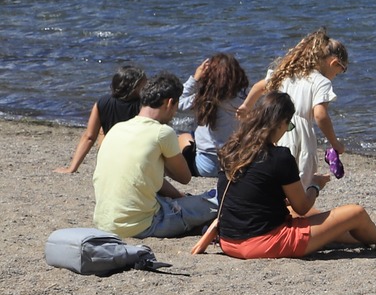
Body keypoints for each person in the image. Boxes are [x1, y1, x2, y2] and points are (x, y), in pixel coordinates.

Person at [208, 91, 376, 257]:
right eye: (289, 125)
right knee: (355, 213)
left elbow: (254, 193)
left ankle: (368, 236)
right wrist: (315, 185)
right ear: (281, 122)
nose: (287, 130)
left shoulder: (232, 149)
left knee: (306, 215)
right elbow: (303, 205)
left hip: (230, 240)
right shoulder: (279, 157)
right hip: (261, 243)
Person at [91, 74, 216, 239]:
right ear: (170, 102)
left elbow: (144, 177)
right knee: (218, 199)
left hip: (105, 223)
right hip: (142, 225)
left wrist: (179, 196)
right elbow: (184, 177)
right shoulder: (162, 133)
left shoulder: (117, 128)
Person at [249, 29, 349, 196]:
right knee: (299, 180)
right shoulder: (321, 82)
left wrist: (246, 107)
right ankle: (297, 213)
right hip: (299, 135)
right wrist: (335, 143)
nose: (335, 77)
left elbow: (259, 87)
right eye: (338, 73)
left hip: (278, 130)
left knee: (277, 177)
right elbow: (320, 115)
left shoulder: (287, 73)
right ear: (334, 63)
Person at [57, 62, 146, 175]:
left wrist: (72, 168)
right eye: (144, 84)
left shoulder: (102, 102)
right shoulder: (143, 106)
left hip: (108, 158)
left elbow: (89, 137)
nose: (147, 87)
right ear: (135, 87)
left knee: (101, 130)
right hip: (133, 159)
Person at [180, 52, 249, 190]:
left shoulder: (202, 99)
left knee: (183, 136)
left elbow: (178, 102)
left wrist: (195, 79)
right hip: (236, 164)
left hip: (206, 168)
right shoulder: (244, 99)